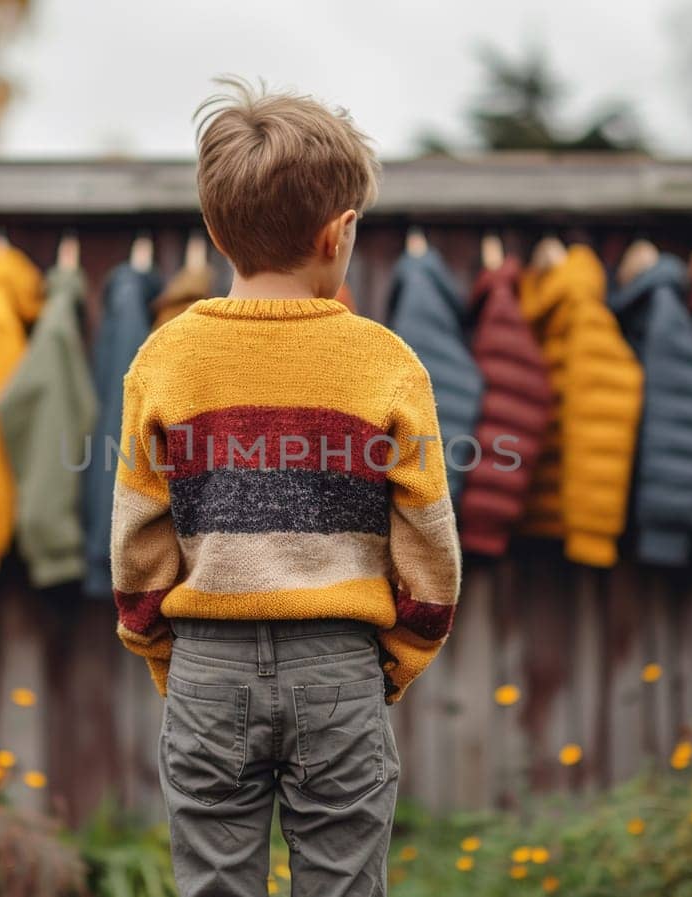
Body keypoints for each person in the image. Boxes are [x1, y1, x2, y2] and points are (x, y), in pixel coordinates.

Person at [108, 75, 463, 896]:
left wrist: (170, 656)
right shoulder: (387, 363)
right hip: (339, 666)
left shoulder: (164, 359)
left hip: (205, 667)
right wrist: (396, 661)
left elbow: (137, 542)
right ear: (339, 233)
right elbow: (429, 545)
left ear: (214, 227)